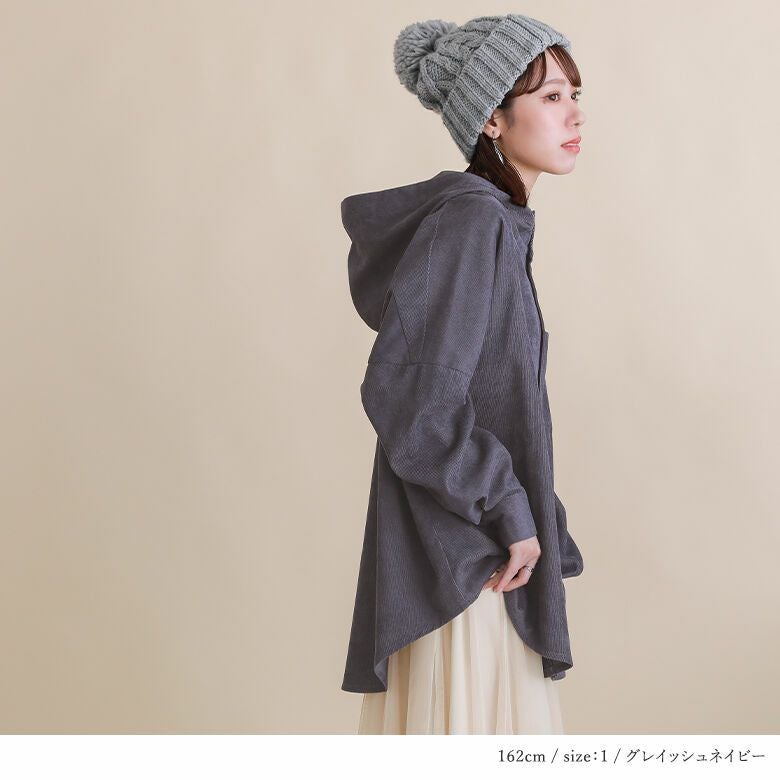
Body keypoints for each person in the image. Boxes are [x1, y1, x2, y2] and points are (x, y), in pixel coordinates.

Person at [339, 13, 587, 735]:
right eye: (550, 97)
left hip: (479, 549)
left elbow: (490, 397)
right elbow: (414, 397)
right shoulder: (474, 222)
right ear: (491, 120)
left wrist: (531, 512)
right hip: (465, 560)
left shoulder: (496, 222)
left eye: (575, 96)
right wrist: (509, 508)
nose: (574, 115)